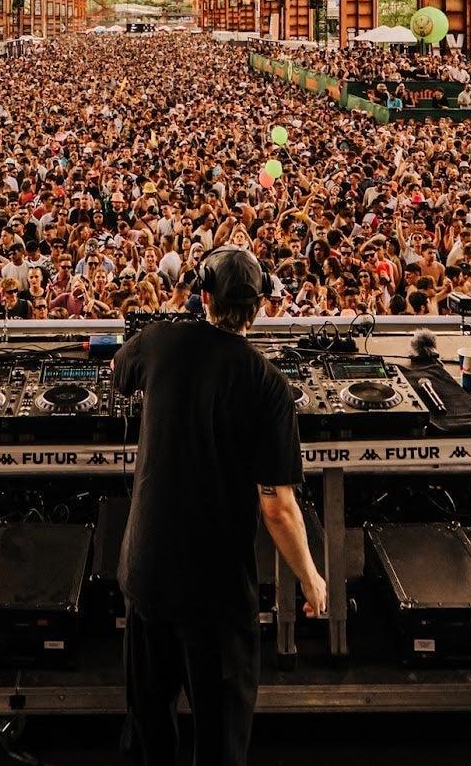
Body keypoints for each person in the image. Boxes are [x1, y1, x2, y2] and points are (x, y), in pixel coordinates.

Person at [112, 245, 324, 766]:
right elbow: (276, 507)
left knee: (148, 728)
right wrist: (311, 578)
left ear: (201, 297)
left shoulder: (160, 341)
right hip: (215, 594)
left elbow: (120, 371)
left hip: (148, 574)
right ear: (261, 306)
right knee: (220, 736)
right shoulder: (268, 385)